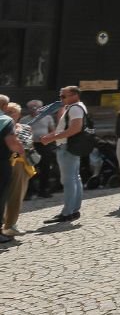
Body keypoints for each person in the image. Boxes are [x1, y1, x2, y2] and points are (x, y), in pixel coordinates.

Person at [38, 86, 89, 224]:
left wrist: (51, 138)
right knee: (75, 178)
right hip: (71, 146)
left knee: (68, 180)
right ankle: (73, 210)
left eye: (63, 96)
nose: (61, 99)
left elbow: (75, 128)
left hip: (67, 147)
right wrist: (51, 136)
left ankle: (67, 213)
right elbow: (65, 127)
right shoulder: (75, 107)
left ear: (74, 95)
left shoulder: (75, 108)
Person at [3, 100, 33, 239]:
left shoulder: (25, 128)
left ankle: (10, 225)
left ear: (19, 114)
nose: (9, 114)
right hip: (5, 162)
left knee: (16, 195)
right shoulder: (3, 126)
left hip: (20, 164)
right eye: (7, 112)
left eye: (12, 112)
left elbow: (27, 146)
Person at [20, 99, 54, 199]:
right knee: (30, 168)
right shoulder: (24, 120)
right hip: (30, 146)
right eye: (31, 107)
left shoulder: (47, 117)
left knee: (45, 168)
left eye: (36, 107)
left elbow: (53, 131)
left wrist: (47, 137)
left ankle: (44, 191)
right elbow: (21, 133)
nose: (34, 109)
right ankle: (29, 192)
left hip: (44, 145)